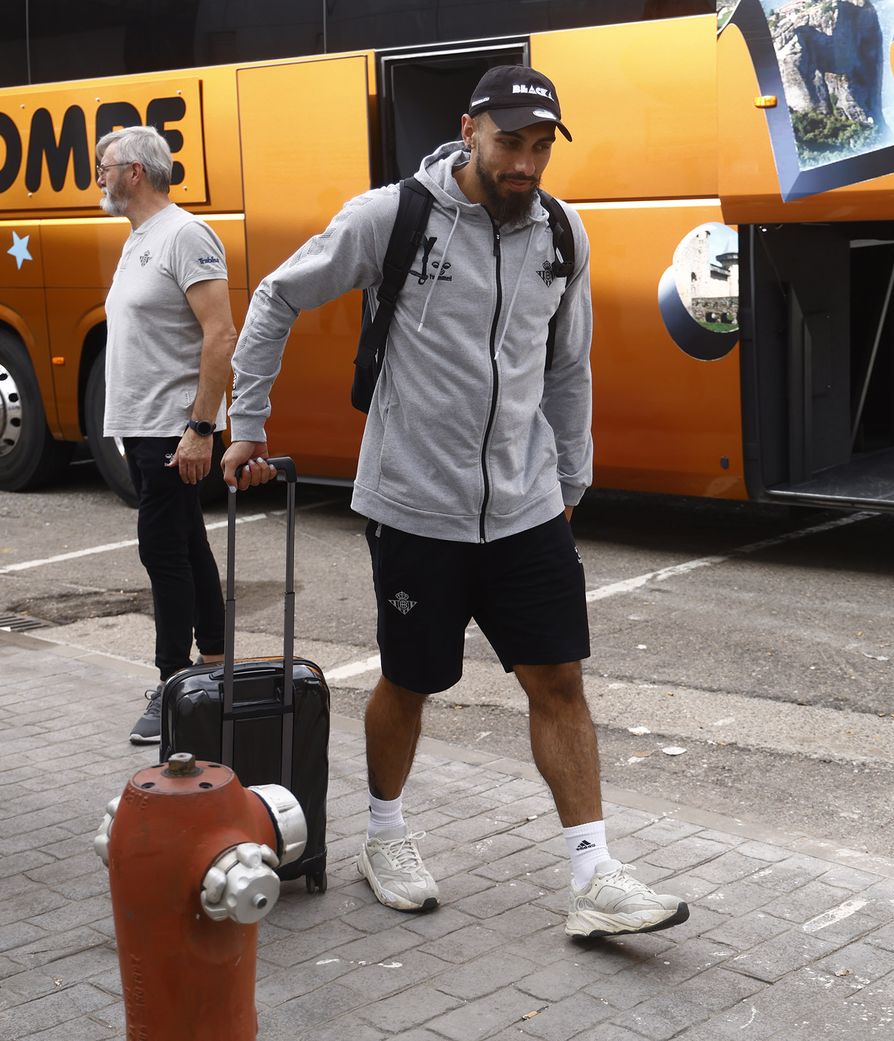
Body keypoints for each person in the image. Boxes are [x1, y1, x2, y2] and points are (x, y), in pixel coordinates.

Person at [223, 67, 690, 939]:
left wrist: (571, 485)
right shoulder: (392, 217)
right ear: (469, 129)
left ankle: (593, 874)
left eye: (542, 146)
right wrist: (245, 420)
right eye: (511, 143)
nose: (527, 163)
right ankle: (384, 833)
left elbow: (567, 366)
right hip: (414, 505)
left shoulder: (559, 231)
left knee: (559, 680)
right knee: (409, 681)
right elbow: (276, 295)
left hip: (525, 504)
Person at [94, 126, 236, 744]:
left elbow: (220, 334)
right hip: (143, 427)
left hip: (173, 429)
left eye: (104, 166)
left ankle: (174, 684)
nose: (97, 175)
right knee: (186, 544)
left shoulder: (185, 235)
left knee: (162, 551)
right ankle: (213, 665)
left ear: (135, 172)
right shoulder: (138, 239)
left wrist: (201, 428)